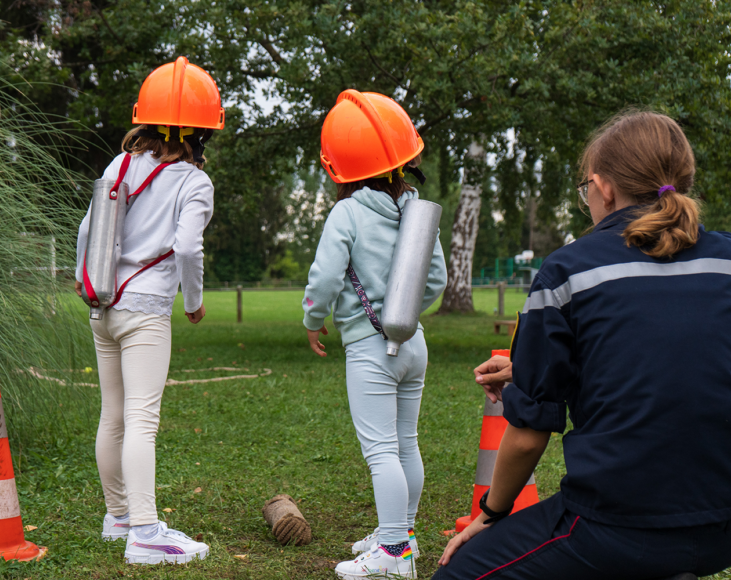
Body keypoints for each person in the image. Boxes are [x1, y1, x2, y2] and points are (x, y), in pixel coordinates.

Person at [434, 110, 731, 579]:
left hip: (617, 525)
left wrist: (488, 514)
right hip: (720, 528)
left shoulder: (568, 271)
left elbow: (529, 435)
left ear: (603, 187)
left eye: (584, 190)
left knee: (460, 572)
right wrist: (531, 370)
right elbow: (679, 356)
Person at [74, 56, 223, 564]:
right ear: (203, 133)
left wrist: (82, 274)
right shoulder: (194, 182)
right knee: (142, 418)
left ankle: (117, 517)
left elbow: (86, 228)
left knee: (112, 415)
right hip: (146, 310)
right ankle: (144, 532)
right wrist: (195, 301)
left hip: (103, 304)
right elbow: (186, 248)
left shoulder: (120, 165)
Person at [303, 89, 447, 580]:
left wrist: (313, 318)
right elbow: (436, 281)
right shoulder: (416, 209)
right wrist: (403, 311)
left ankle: (392, 554)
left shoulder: (347, 213)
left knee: (381, 450)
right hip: (415, 344)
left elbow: (324, 278)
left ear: (339, 166)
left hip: (369, 348)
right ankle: (402, 536)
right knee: (406, 442)